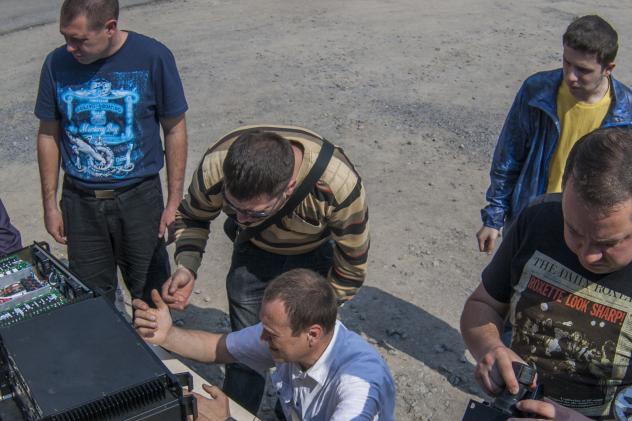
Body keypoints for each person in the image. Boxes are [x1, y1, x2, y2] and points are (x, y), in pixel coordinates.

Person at [163, 125, 369, 413]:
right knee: (245, 357)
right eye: (233, 207)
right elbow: (193, 216)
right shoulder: (216, 168)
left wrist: (317, 310)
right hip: (253, 253)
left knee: (303, 352)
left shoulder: (338, 184)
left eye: (255, 213)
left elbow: (351, 266)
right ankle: (236, 414)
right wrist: (187, 267)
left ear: (289, 188)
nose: (241, 219)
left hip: (313, 260)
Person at [462, 127, 632, 419]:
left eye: (607, 243)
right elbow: (482, 305)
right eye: (574, 231)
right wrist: (490, 347)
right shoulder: (539, 219)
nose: (587, 255)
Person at [34, 0, 188, 303]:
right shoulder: (56, 63)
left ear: (110, 28)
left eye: (79, 39)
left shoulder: (152, 57)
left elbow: (174, 129)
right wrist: (50, 205)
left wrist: (174, 202)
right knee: (91, 299)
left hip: (139, 199)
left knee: (150, 294)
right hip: (80, 201)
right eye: (65, 37)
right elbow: (48, 134)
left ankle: (150, 336)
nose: (70, 47)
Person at [134, 268, 395, 421]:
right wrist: (167, 335)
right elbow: (219, 347)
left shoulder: (358, 386)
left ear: (312, 334)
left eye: (271, 334)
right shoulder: (290, 337)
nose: (262, 340)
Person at [477, 15, 632, 254]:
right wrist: (494, 217)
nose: (570, 76)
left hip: (587, 230)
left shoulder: (627, 113)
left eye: (583, 70)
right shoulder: (536, 91)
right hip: (534, 216)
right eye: (567, 63)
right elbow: (508, 157)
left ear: (608, 69)